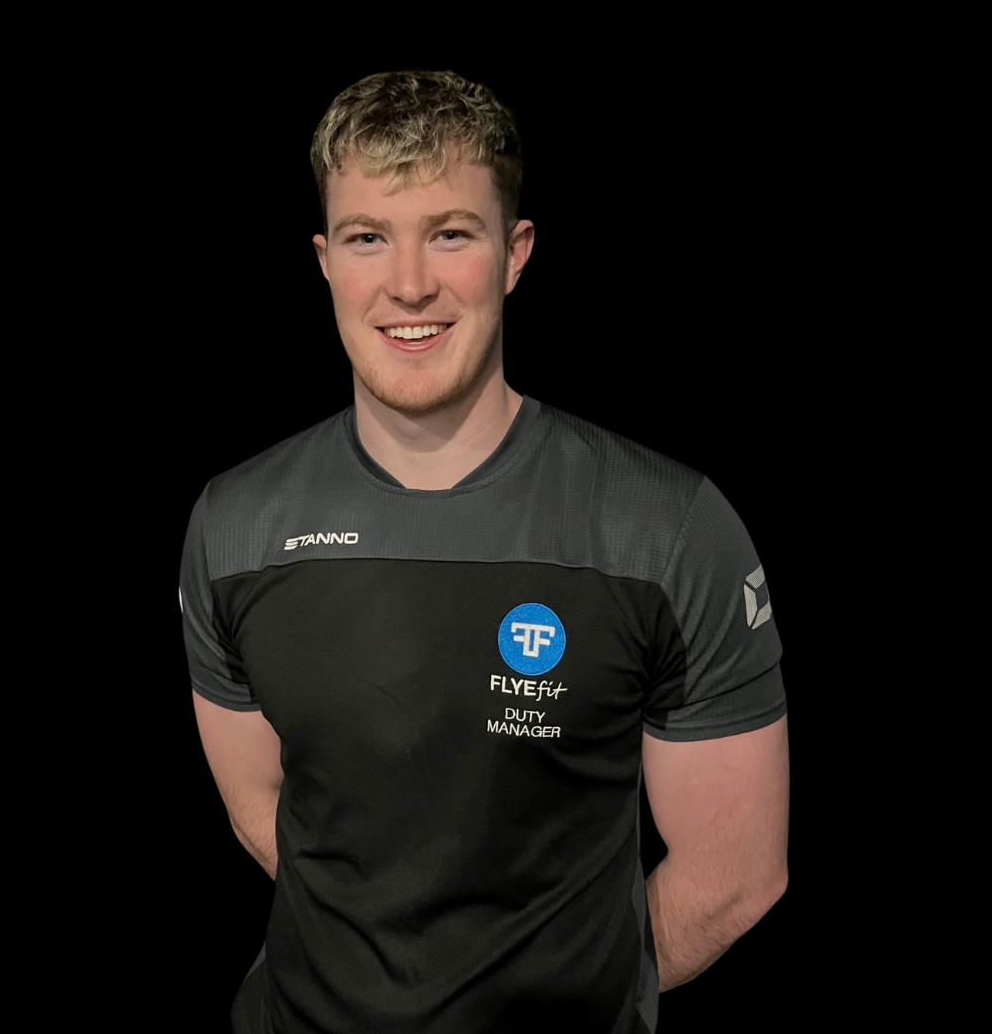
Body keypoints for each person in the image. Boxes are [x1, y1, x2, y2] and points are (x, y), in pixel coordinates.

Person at [179, 69, 789, 1034]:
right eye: (367, 237)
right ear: (325, 260)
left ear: (516, 253)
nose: (408, 283)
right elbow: (265, 808)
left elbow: (738, 874)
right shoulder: (235, 525)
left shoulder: (665, 526)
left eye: (451, 234)